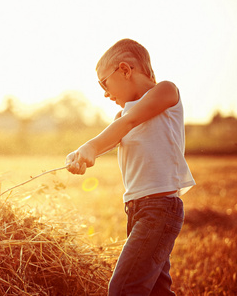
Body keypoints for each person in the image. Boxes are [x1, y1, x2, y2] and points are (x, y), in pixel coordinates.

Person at [65, 39, 195, 295]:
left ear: (125, 70)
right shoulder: (120, 118)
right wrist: (81, 157)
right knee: (156, 290)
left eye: (104, 83)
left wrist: (90, 145)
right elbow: (110, 138)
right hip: (136, 210)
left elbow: (130, 122)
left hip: (159, 210)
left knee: (124, 288)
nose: (104, 92)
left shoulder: (166, 91)